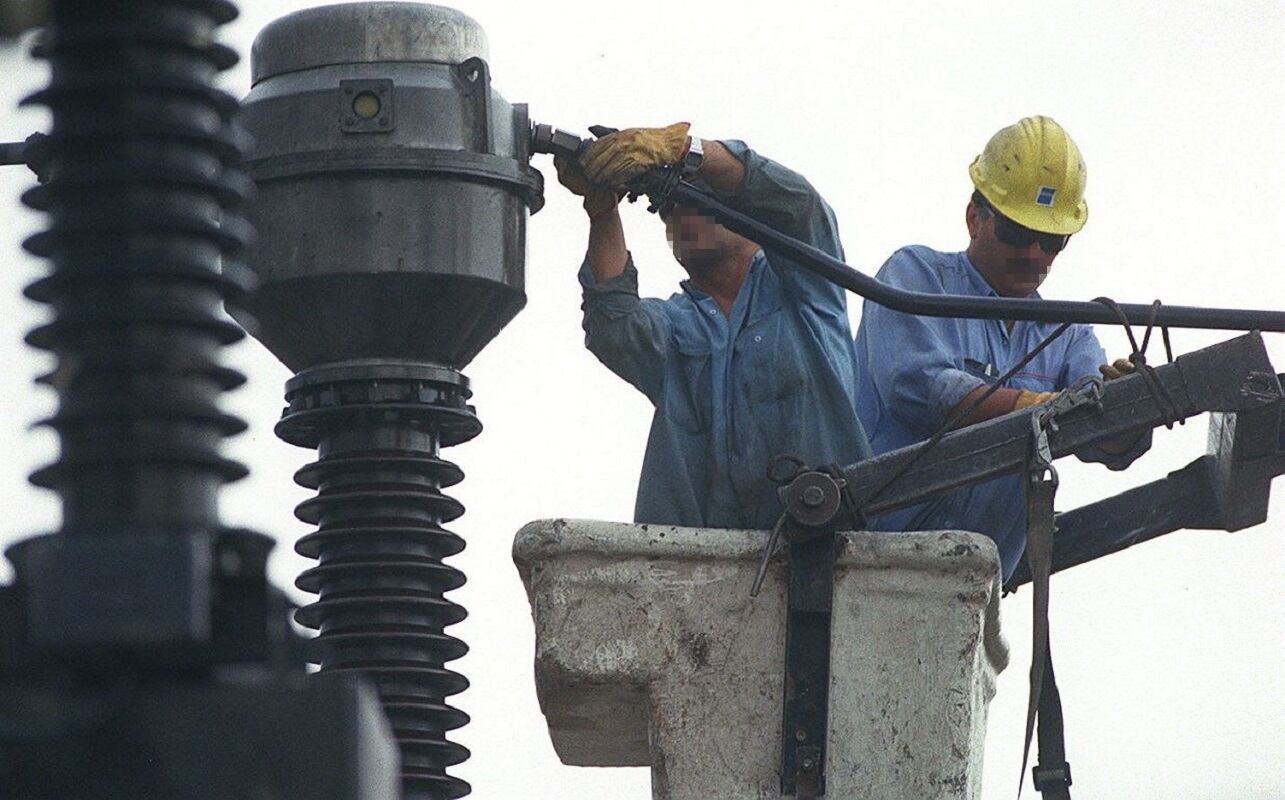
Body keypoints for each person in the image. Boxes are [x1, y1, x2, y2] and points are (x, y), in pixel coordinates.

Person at [852, 115, 1151, 580]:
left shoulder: (1067, 331)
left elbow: (1100, 434)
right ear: (976, 216)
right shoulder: (916, 278)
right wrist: (1040, 408)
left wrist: (1128, 412)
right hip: (870, 563)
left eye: (1052, 241)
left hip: (979, 578)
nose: (1035, 256)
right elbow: (918, 386)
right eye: (1017, 234)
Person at [555, 122, 872, 530]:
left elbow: (800, 206)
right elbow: (614, 325)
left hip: (829, 549)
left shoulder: (807, 286)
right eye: (668, 207)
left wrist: (686, 151)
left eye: (694, 196)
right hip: (697, 573)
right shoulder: (674, 325)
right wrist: (602, 211)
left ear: (748, 214)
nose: (677, 212)